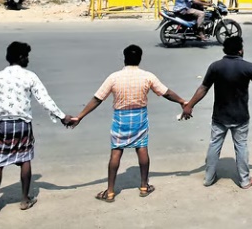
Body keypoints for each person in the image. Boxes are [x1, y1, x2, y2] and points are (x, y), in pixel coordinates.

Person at [0, 41, 75, 215]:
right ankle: (25, 200)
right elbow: (45, 100)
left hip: (3, 125)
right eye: (26, 56)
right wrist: (63, 117)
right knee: (25, 160)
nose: (28, 59)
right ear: (20, 57)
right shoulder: (30, 76)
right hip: (23, 125)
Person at [71, 45, 188, 202]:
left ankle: (111, 191)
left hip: (120, 118)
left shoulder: (114, 77)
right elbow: (166, 92)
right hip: (140, 116)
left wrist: (80, 116)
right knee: (142, 148)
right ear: (140, 58)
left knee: (116, 151)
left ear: (124, 58)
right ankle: (144, 186)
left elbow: (98, 98)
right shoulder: (147, 76)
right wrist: (182, 101)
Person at [181, 36, 252, 189]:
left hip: (219, 116)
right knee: (241, 146)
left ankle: (208, 178)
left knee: (214, 145)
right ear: (240, 50)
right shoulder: (248, 67)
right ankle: (245, 181)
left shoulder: (215, 67)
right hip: (240, 117)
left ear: (225, 50)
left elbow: (203, 88)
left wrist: (189, 105)